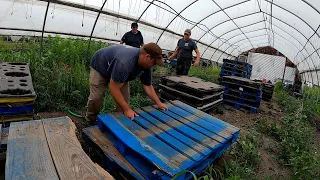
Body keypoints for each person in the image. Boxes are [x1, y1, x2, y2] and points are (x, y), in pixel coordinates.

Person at [85, 43, 168, 124]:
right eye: (154, 63)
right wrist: (127, 109)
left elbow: (147, 85)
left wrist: (158, 102)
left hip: (118, 68)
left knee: (124, 100)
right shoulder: (125, 63)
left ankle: (120, 121)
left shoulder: (146, 65)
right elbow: (114, 88)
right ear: (147, 57)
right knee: (96, 97)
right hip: (101, 66)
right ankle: (90, 120)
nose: (153, 66)